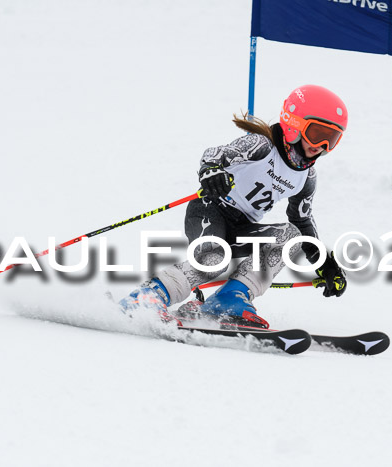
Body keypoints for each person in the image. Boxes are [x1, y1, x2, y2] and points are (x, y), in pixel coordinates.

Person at [119, 84, 348, 328]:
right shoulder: (261, 146)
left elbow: (301, 220)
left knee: (291, 236)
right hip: (210, 209)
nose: (321, 145)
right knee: (213, 259)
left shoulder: (306, 177)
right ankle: (147, 298)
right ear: (294, 123)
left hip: (243, 226)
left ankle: (229, 300)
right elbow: (214, 154)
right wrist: (212, 172)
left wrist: (324, 261)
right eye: (316, 134)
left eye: (331, 139)